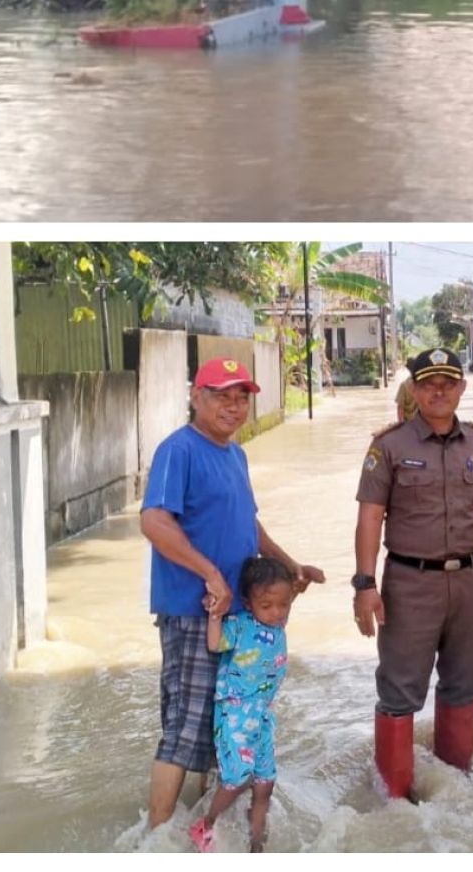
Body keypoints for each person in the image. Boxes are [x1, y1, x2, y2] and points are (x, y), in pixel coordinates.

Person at [140, 357, 325, 830]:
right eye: (222, 395)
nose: (234, 405)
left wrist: (288, 564)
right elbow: (154, 521)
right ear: (195, 397)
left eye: (241, 396)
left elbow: (247, 522)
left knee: (222, 725)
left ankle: (203, 824)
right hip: (193, 611)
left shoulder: (234, 453)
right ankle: (158, 838)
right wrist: (210, 575)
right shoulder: (178, 450)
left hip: (237, 616)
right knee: (185, 727)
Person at [352, 348, 473, 799]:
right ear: (414, 390)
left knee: (464, 681)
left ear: (462, 389)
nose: (439, 391)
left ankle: (455, 785)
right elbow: (370, 518)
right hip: (410, 584)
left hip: (471, 580)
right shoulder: (389, 447)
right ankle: (394, 799)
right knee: (399, 689)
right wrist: (365, 584)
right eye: (429, 383)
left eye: (449, 382)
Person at [188, 556, 296, 853]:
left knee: (265, 783)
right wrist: (215, 613)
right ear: (249, 604)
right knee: (237, 779)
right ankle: (205, 824)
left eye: (283, 605)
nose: (276, 613)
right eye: (267, 606)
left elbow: (287, 591)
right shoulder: (240, 625)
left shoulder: (279, 621)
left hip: (262, 716)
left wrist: (300, 574)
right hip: (234, 713)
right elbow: (214, 644)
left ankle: (256, 845)